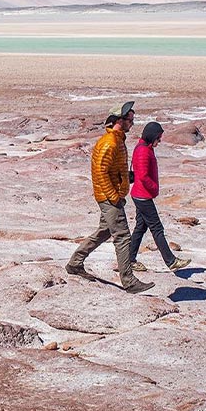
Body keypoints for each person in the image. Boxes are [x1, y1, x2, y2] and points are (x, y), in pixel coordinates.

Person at [65, 101, 155, 294]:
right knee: (122, 236)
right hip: (108, 197)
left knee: (104, 231)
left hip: (112, 194)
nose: (132, 123)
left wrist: (125, 179)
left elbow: (112, 170)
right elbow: (100, 172)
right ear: (119, 120)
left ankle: (75, 263)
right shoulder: (109, 143)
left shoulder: (117, 140)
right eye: (130, 119)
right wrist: (113, 196)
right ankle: (129, 281)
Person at [130, 122, 191, 272]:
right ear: (152, 137)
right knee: (157, 228)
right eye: (158, 138)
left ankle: (129, 260)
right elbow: (143, 176)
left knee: (140, 228)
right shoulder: (143, 151)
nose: (160, 141)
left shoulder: (145, 147)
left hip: (140, 194)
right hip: (143, 196)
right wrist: (154, 189)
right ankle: (171, 261)